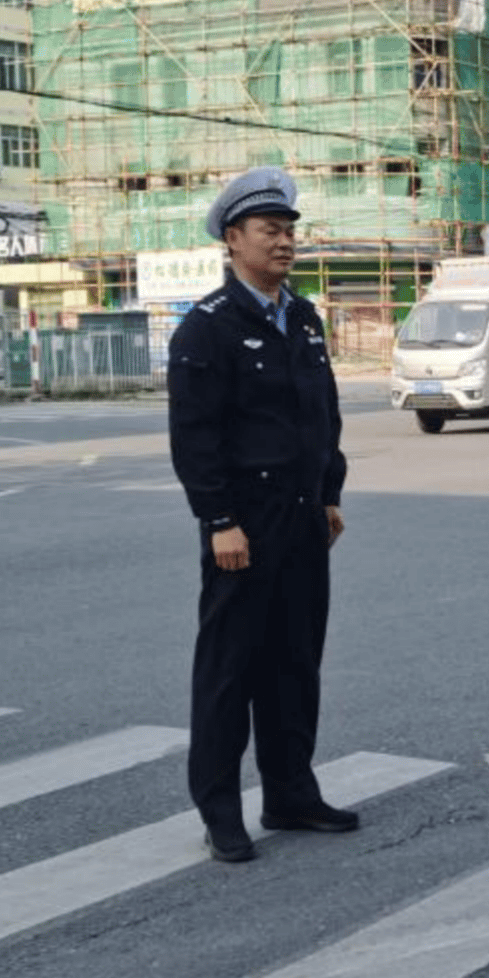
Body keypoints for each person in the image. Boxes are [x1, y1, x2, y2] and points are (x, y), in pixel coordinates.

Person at [167, 167, 353, 865]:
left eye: (289, 232)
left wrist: (331, 493)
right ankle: (220, 810)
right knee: (229, 673)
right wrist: (219, 520)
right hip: (243, 526)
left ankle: (290, 792)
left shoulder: (301, 318)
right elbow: (195, 435)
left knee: (294, 664)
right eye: (269, 232)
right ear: (233, 240)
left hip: (305, 519)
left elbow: (323, 416)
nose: (283, 243)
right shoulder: (207, 330)